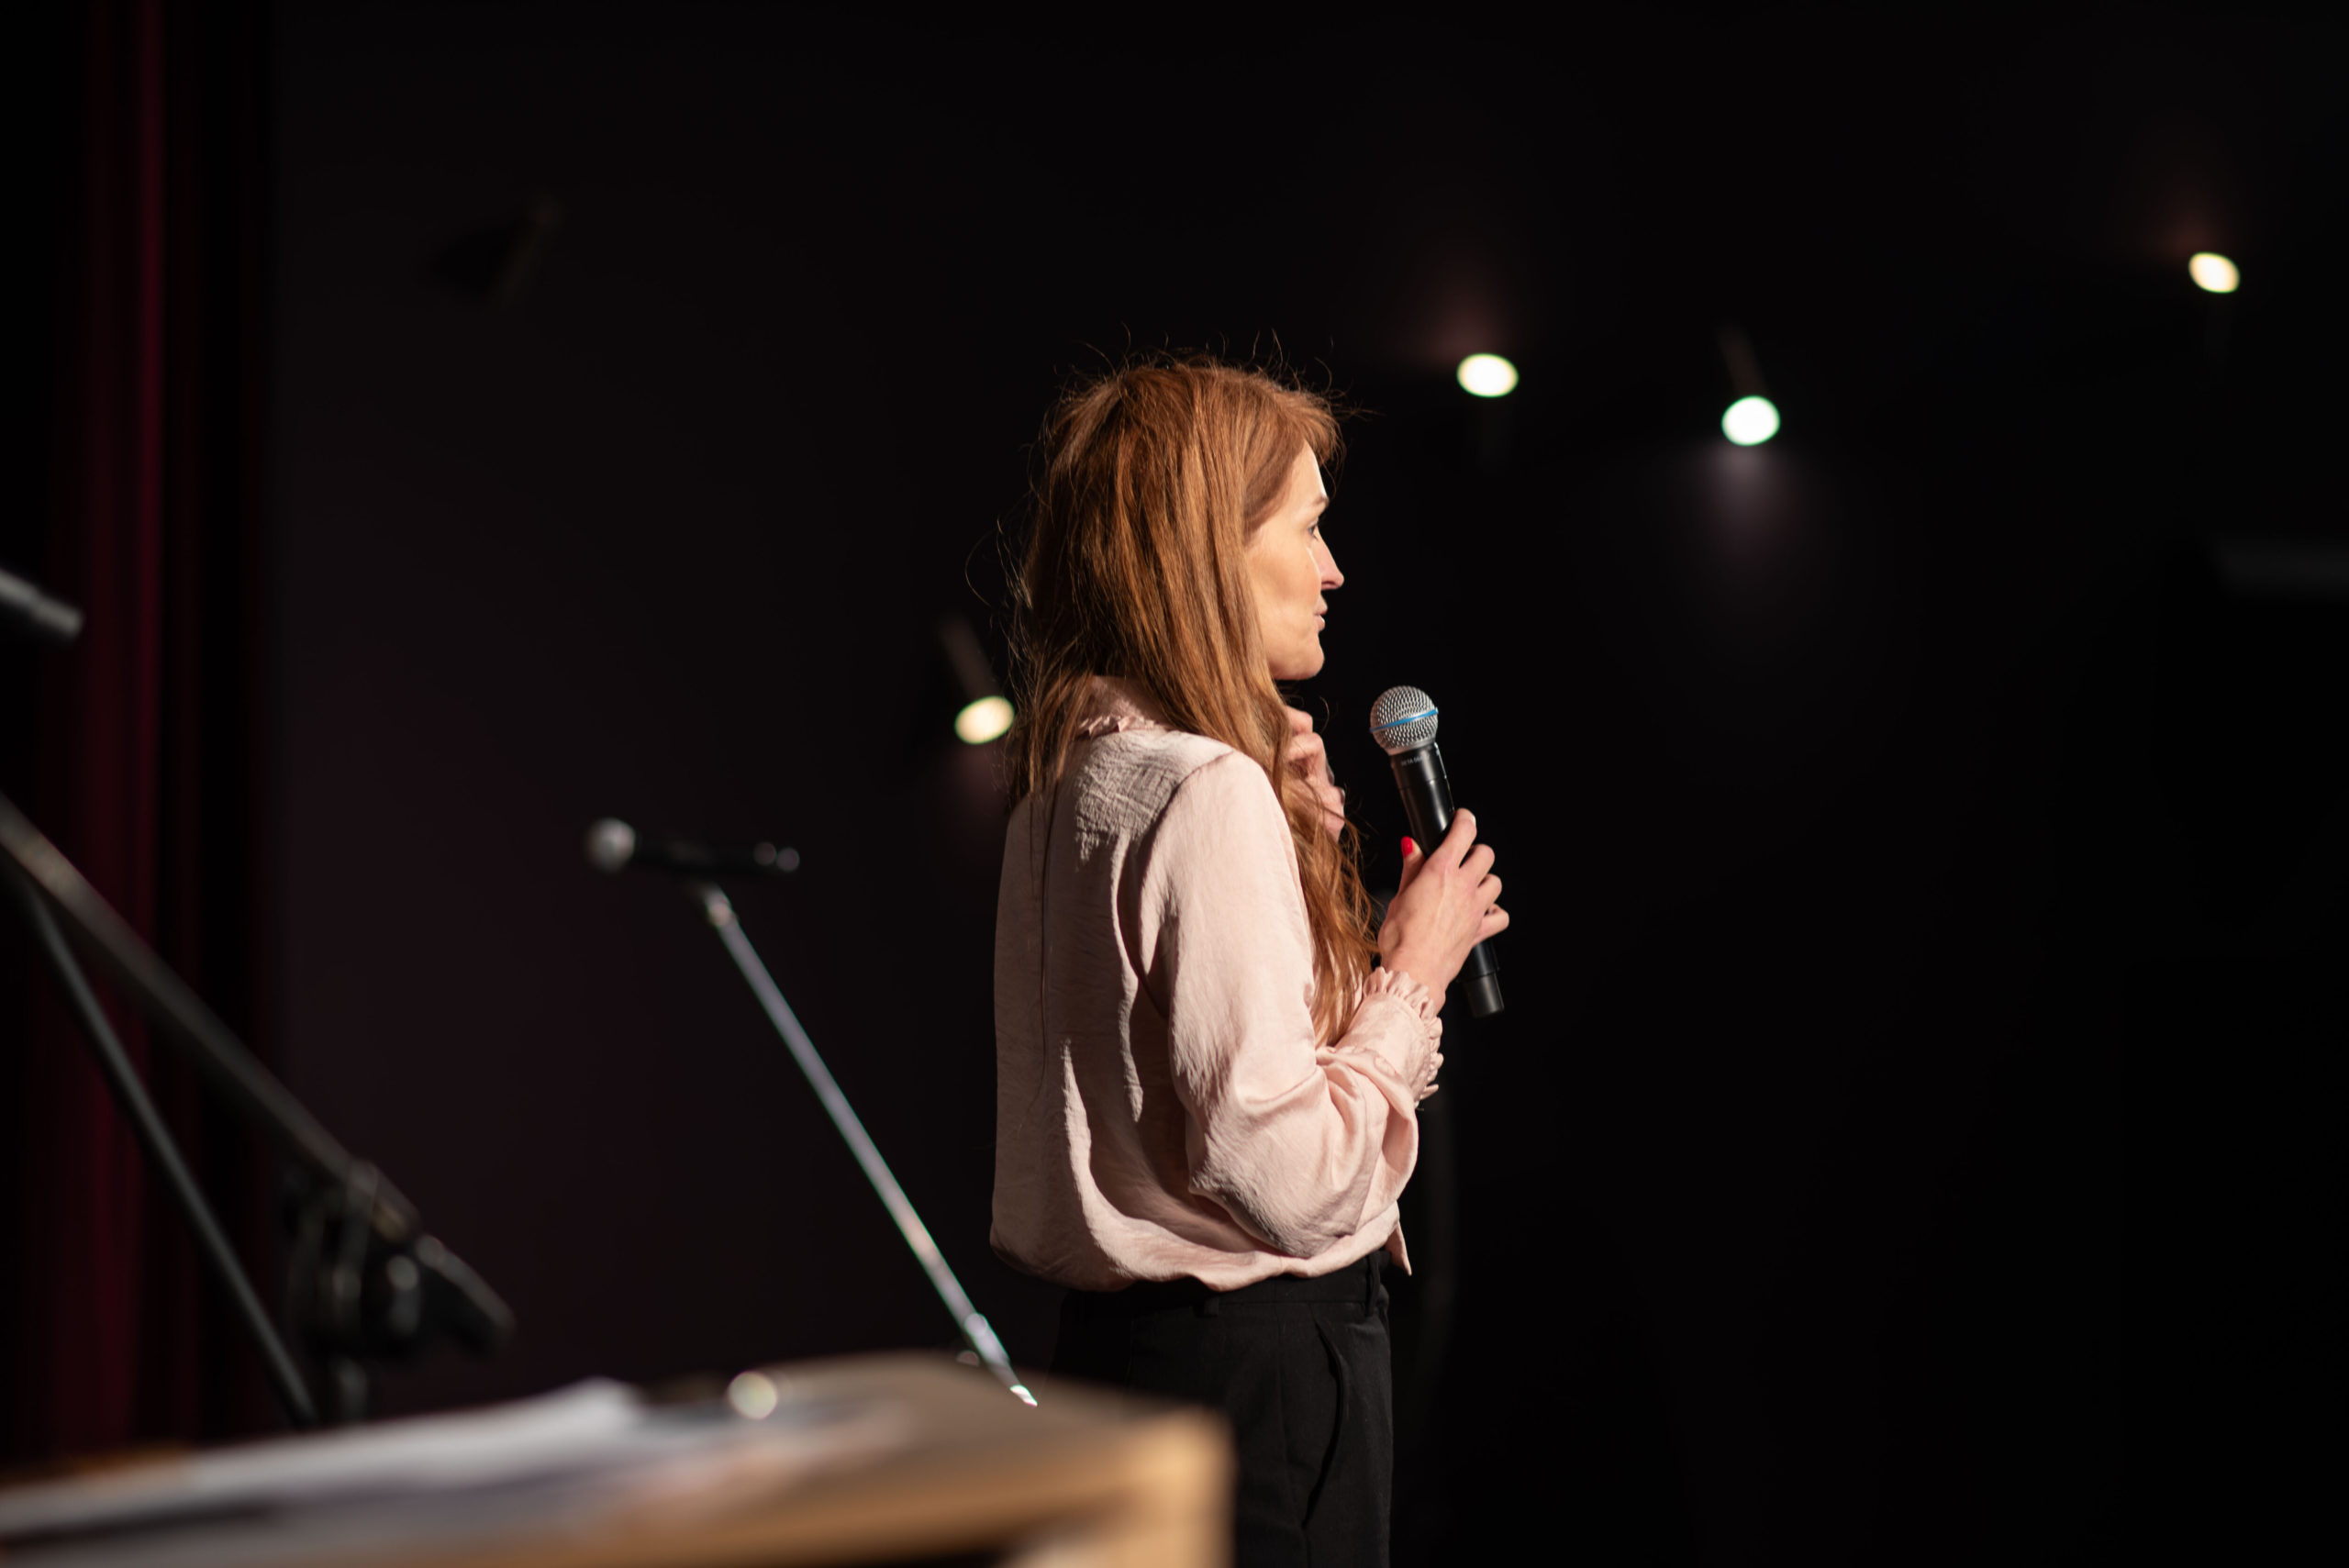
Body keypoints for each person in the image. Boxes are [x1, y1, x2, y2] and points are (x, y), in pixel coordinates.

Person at [990, 358, 1508, 1565]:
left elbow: (1185, 1103)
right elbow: (1283, 1171)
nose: (1334, 570)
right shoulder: (1204, 788)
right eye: (1309, 526)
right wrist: (1412, 972)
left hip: (1115, 1367)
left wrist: (1308, 877)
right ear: (1211, 549)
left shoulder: (1066, 780)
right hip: (1256, 1378)